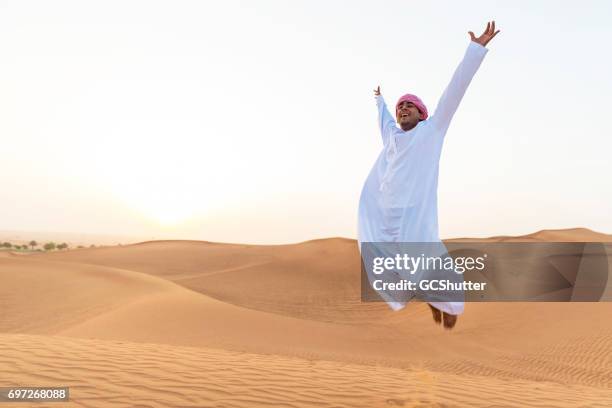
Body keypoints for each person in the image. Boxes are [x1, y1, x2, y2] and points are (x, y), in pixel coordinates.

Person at [358, 21, 500, 329]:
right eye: (400, 106)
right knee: (383, 269)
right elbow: (382, 120)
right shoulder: (392, 138)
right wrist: (380, 100)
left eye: (410, 105)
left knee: (432, 269)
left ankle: (447, 311)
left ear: (423, 114)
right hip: (384, 219)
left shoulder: (433, 130)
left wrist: (476, 49)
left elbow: (455, 90)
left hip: (415, 220)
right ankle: (428, 302)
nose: (403, 108)